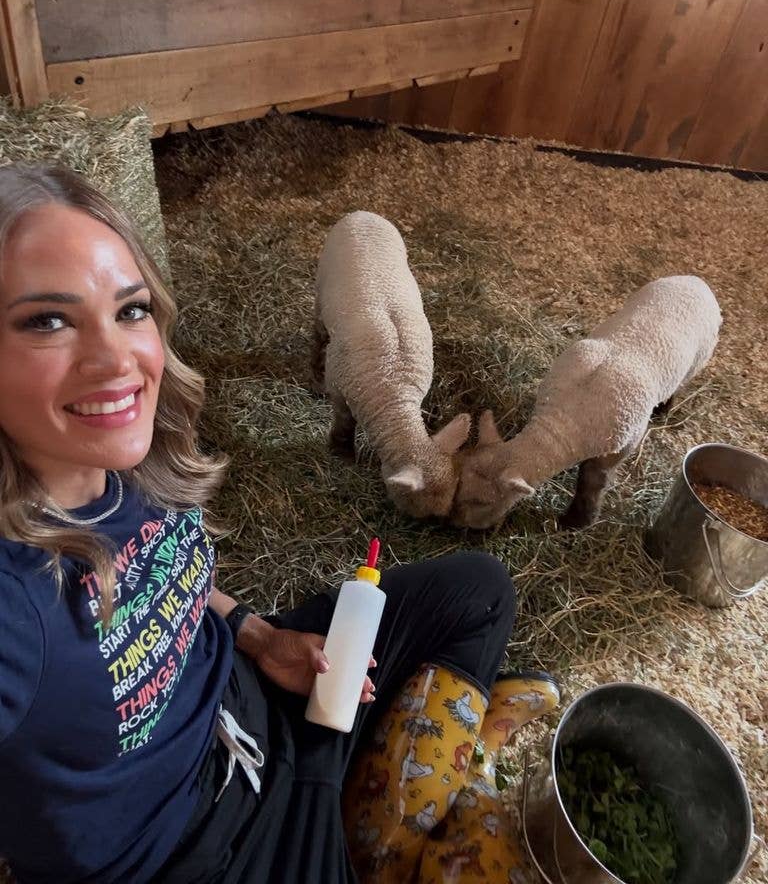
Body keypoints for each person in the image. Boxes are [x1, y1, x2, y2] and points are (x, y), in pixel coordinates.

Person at [0, 163, 559, 884]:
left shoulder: (125, 456)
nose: (117, 361)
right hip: (212, 855)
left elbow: (167, 585)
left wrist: (258, 636)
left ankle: (377, 824)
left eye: (130, 309)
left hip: (261, 705)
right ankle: (413, 799)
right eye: (47, 320)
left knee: (478, 590)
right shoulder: (14, 604)